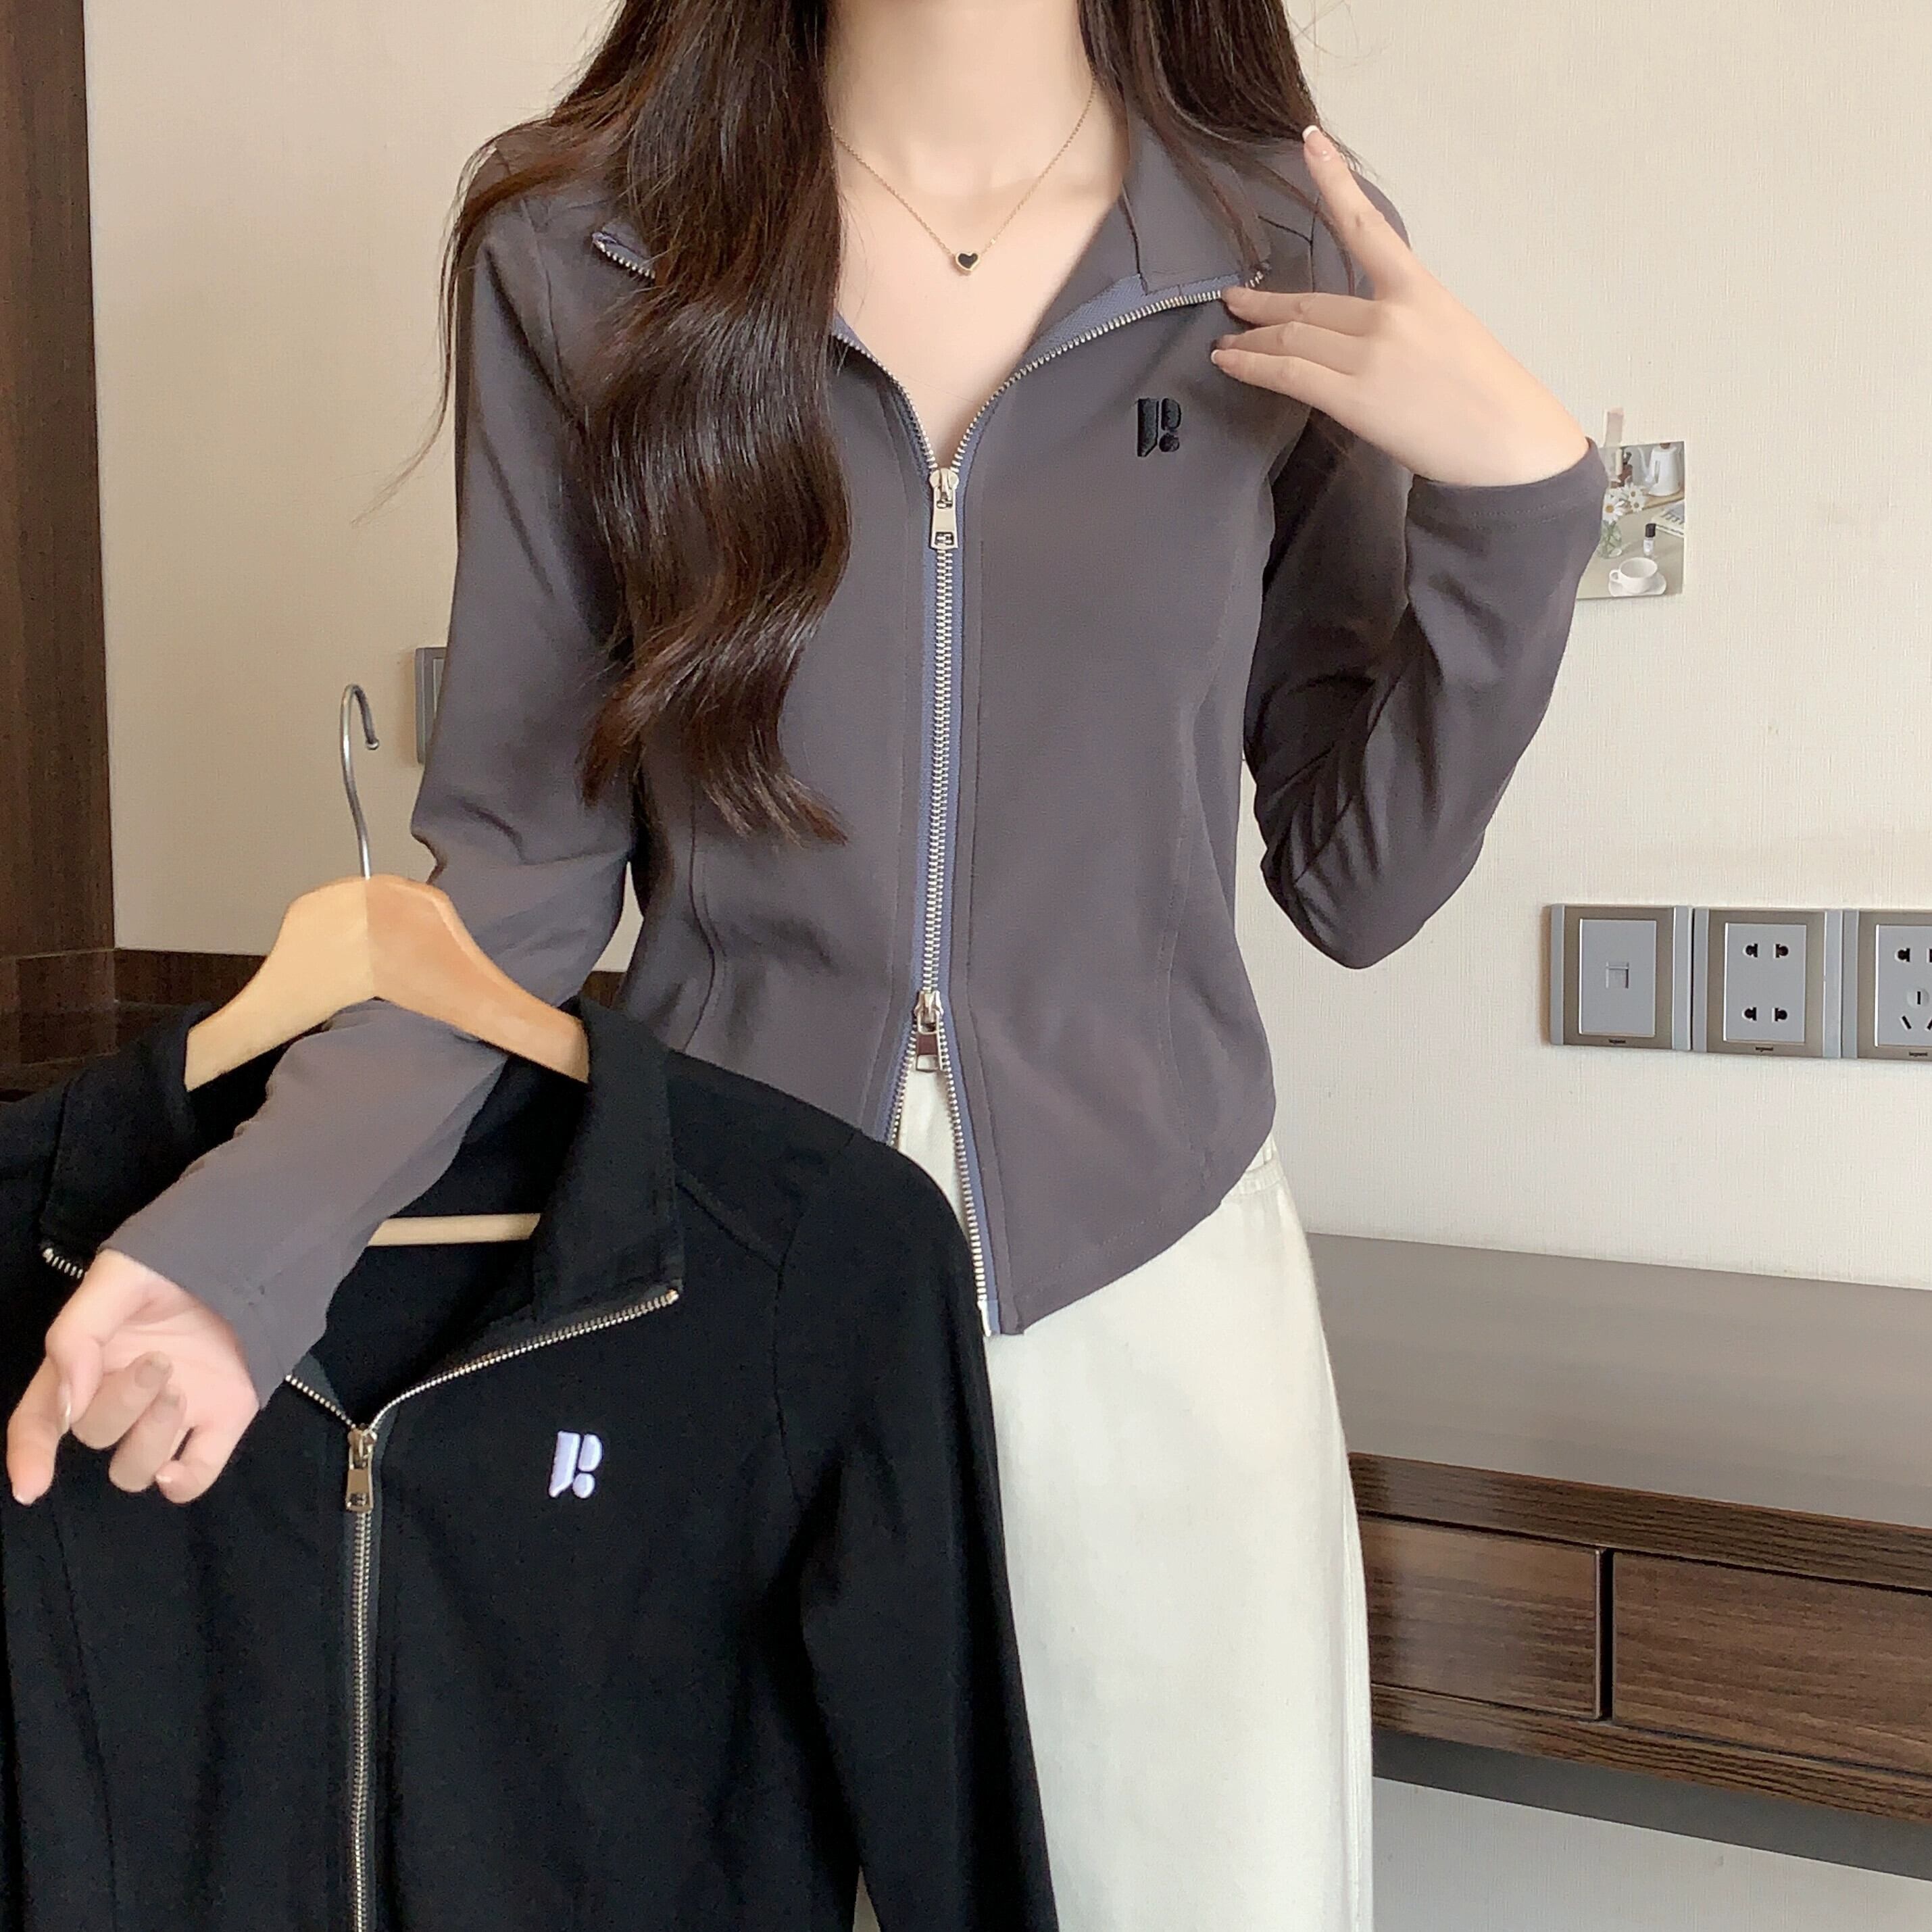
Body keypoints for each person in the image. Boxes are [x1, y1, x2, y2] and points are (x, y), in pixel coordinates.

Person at [6, 0, 1608, 1924]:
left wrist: (1524, 507)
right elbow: (514, 886)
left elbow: (1356, 879)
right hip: (722, 1279)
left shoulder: (1274, 249)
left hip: (1153, 1280)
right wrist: (239, 1241)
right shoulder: (586, 249)